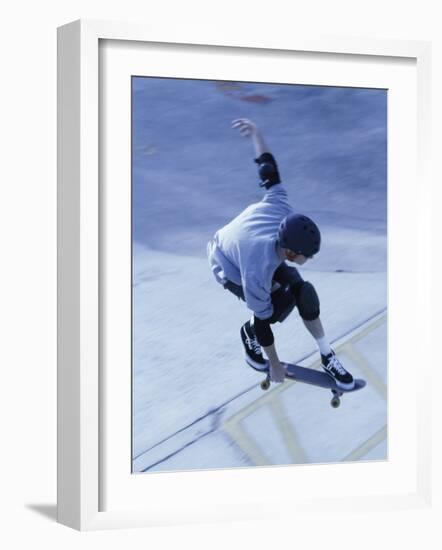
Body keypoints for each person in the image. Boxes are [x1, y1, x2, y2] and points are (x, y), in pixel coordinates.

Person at [207, 119, 354, 389]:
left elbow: (267, 168)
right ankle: (246, 333)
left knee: (302, 291)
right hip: (226, 262)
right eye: (305, 256)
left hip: (249, 241)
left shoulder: (280, 204)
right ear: (289, 251)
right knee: (273, 308)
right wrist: (273, 363)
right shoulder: (257, 270)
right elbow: (265, 324)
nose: (308, 260)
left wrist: (256, 132)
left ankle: (327, 355)